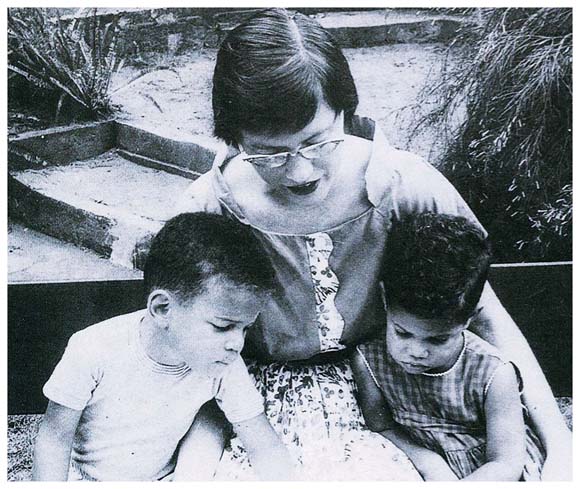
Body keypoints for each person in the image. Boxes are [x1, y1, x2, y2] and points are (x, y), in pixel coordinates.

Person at [173, 8, 571, 480]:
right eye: (268, 153)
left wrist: (560, 440)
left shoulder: (404, 186)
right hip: (260, 408)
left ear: (345, 109)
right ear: (234, 138)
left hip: (399, 398)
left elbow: (483, 315)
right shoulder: (211, 206)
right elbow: (195, 351)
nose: (300, 172)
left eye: (317, 142)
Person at [32, 212, 295, 481]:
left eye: (245, 328)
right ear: (162, 308)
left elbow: (264, 446)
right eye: (222, 326)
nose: (237, 343)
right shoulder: (92, 349)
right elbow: (54, 440)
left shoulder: (223, 363)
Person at [352, 212, 545, 480]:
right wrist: (430, 463)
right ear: (385, 299)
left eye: (438, 339)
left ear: (469, 319)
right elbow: (381, 426)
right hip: (418, 468)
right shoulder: (370, 361)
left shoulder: (493, 375)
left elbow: (506, 462)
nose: (416, 352)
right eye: (402, 332)